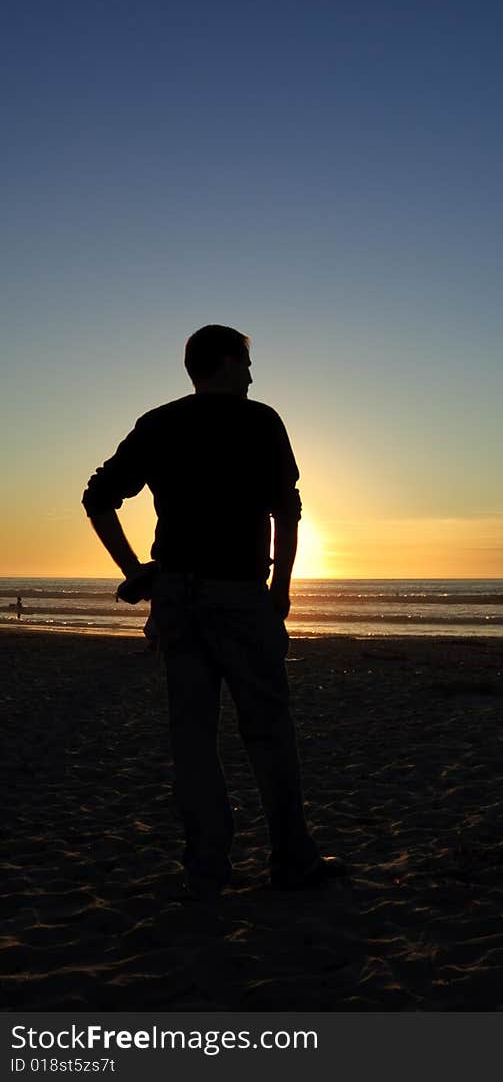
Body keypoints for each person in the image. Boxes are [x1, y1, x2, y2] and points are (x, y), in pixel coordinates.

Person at [82, 324, 344, 900]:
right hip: (237, 593)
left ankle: (206, 865)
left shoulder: (160, 423)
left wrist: (136, 571)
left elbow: (97, 498)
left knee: (193, 737)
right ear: (225, 363)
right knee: (269, 731)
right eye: (246, 364)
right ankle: (292, 860)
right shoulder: (259, 421)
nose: (252, 376)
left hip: (178, 597)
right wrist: (282, 586)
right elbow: (287, 511)